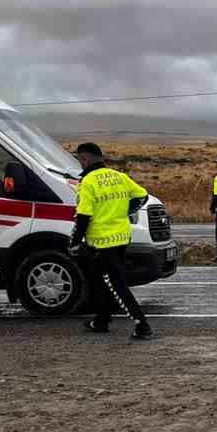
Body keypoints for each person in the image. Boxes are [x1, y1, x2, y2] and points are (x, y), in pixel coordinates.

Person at [69, 143, 154, 340]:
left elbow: (83, 216)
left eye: (80, 160)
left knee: (116, 284)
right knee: (98, 281)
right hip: (122, 237)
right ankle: (101, 321)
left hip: (102, 242)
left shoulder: (88, 182)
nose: (80, 164)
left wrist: (74, 242)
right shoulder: (119, 176)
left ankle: (142, 324)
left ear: (85, 159)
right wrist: (124, 211)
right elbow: (142, 196)